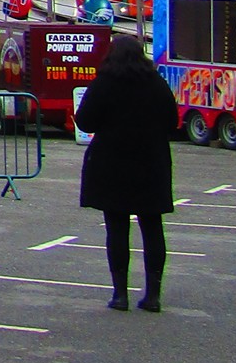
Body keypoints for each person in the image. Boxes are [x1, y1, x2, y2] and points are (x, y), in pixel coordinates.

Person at [75, 34, 175, 312]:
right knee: (152, 226)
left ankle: (120, 294)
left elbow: (84, 119)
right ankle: (153, 294)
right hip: (150, 161)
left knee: (116, 228)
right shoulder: (156, 83)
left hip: (111, 161)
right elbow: (172, 120)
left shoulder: (105, 82)